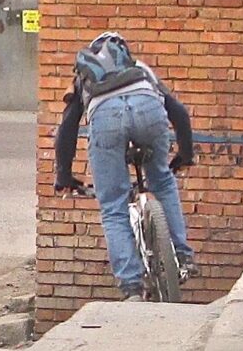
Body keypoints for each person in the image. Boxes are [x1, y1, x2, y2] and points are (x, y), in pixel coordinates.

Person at [53, 31, 198, 299]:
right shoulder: (140, 69)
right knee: (163, 182)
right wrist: (185, 154)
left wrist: (63, 175)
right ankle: (182, 255)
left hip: (106, 119)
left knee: (113, 206)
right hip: (148, 110)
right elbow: (178, 111)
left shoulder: (84, 77)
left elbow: (67, 128)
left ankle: (131, 286)